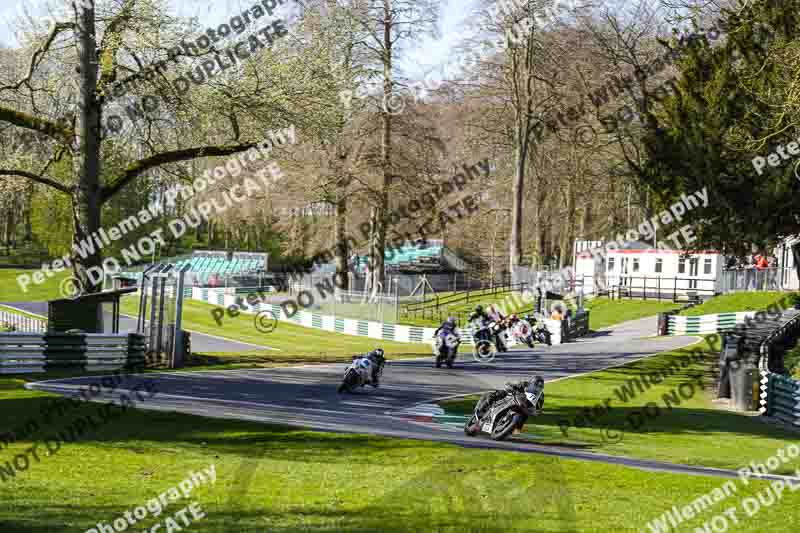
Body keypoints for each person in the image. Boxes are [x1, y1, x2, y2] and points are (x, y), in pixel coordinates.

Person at [472, 377, 545, 421]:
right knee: (496, 394)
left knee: (524, 418)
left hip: (524, 407)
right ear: (532, 383)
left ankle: (515, 430)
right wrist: (511, 387)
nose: (537, 388)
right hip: (514, 398)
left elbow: (539, 408)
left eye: (540, 386)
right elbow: (509, 384)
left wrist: (537, 412)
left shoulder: (541, 396)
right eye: (536, 385)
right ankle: (480, 410)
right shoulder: (524, 384)